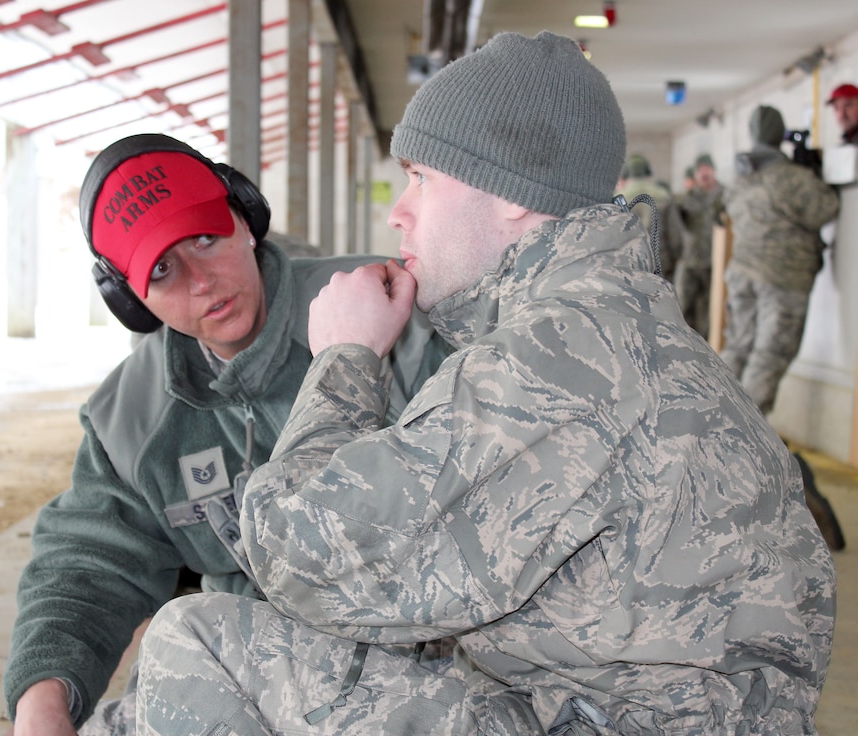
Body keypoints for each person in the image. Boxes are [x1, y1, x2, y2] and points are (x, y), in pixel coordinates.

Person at [131, 32, 836, 735]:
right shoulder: (612, 323)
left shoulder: (558, 357)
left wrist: (344, 358)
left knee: (197, 642)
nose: (397, 212)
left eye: (421, 177)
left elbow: (299, 556)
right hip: (621, 710)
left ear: (511, 192)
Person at [2, 133, 450, 735]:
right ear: (129, 299)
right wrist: (42, 706)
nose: (201, 281)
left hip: (419, 659)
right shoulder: (129, 417)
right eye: (162, 269)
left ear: (246, 218)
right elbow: (88, 563)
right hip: (247, 669)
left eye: (206, 238)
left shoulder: (396, 312)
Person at [720, 106, 844, 552]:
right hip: (782, 280)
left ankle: (720, 422)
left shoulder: (741, 176)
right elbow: (825, 207)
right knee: (770, 357)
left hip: (744, 275)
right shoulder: (787, 177)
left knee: (737, 350)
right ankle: (742, 442)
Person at [674, 153, 723, 338]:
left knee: (712, 312)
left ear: (713, 171)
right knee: (684, 308)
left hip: (715, 265)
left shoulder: (724, 196)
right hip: (690, 262)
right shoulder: (686, 199)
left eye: (707, 169)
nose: (704, 174)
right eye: (700, 170)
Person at [616, 152, 684, 281]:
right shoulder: (663, 196)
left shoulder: (617, 198)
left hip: (627, 265)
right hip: (660, 263)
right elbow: (676, 236)